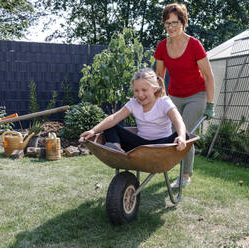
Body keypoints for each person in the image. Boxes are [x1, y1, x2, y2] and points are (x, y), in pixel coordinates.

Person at [154, 3, 215, 188]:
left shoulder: (194, 45)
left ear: (183, 22)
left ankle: (185, 175)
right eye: (167, 23)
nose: (171, 27)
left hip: (196, 95)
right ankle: (174, 168)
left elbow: (208, 75)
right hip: (174, 95)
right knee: (172, 133)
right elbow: (159, 77)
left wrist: (210, 104)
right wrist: (161, 99)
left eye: (175, 23)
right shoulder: (162, 47)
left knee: (185, 134)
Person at [79, 68, 187, 153]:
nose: (140, 94)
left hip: (162, 145)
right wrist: (93, 131)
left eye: (144, 90)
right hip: (140, 145)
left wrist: (181, 137)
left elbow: (178, 120)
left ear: (155, 89)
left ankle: (182, 137)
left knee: (185, 134)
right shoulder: (133, 103)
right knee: (110, 126)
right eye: (136, 90)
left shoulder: (163, 102)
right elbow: (113, 118)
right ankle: (117, 150)